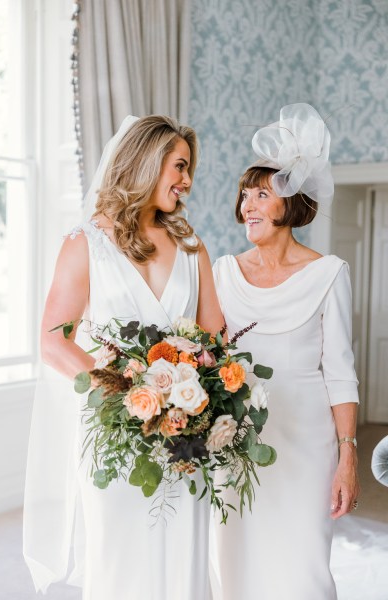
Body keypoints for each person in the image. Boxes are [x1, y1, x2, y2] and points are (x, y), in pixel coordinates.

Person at [23, 115, 223, 600]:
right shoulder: (86, 243)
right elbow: (54, 340)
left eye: (189, 168)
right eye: (179, 166)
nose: (187, 180)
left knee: (182, 561)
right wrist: (126, 391)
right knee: (121, 559)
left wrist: (192, 391)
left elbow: (215, 337)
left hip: (184, 435)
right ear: (147, 163)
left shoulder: (192, 247)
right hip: (114, 432)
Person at [212, 103, 360, 600]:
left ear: (291, 203)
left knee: (302, 568)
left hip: (307, 443)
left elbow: (340, 374)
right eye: (244, 195)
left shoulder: (329, 273)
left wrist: (347, 457)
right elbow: (208, 358)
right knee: (235, 561)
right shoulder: (223, 273)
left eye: (261, 194)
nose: (247, 205)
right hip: (236, 439)